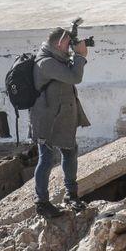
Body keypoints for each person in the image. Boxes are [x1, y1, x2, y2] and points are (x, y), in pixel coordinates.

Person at [30, 27, 89, 217]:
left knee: (70, 152)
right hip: (47, 120)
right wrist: (80, 56)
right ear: (58, 43)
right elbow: (74, 77)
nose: (68, 48)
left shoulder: (56, 57)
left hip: (62, 117)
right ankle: (42, 203)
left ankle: (71, 195)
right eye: (67, 44)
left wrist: (75, 55)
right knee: (46, 159)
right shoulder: (46, 62)